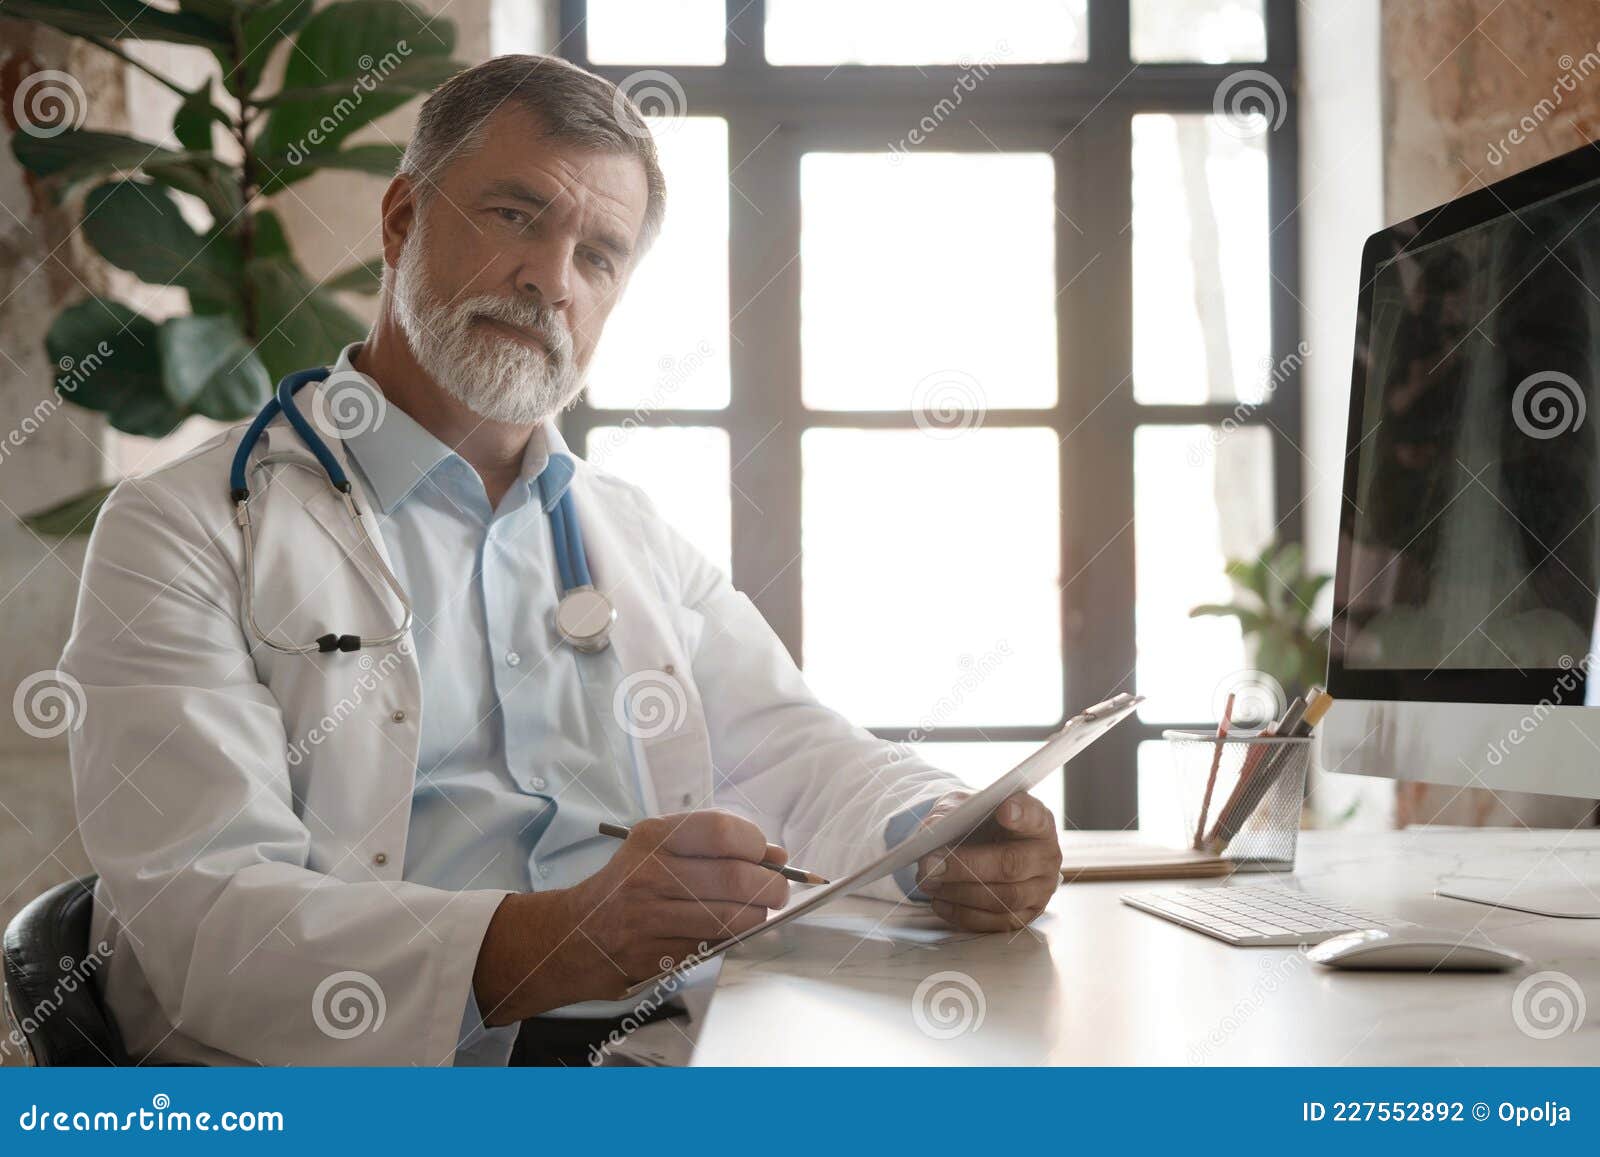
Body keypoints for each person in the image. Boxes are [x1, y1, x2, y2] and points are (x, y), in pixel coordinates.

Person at [59, 54, 1063, 1067]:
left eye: (599, 255)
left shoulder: (624, 530)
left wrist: (938, 832)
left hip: (653, 1050)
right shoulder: (182, 529)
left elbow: (791, 752)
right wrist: (555, 942)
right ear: (403, 219)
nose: (550, 278)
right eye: (513, 215)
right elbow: (206, 920)